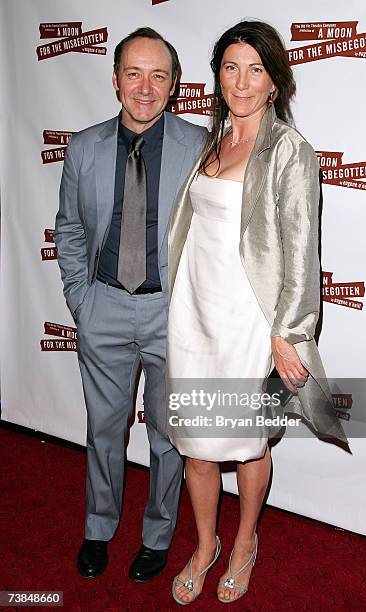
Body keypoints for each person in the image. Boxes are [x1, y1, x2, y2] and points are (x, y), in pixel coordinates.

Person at [166, 20, 347, 604]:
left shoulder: (289, 151)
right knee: (194, 440)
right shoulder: (210, 141)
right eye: (230, 67)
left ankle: (244, 543)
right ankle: (204, 544)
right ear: (217, 76)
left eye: (256, 69)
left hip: (248, 318)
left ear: (275, 82)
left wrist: (287, 333)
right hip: (194, 309)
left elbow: (301, 249)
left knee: (246, 441)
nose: (242, 81)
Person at [54, 27, 206, 582]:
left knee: (169, 435)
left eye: (159, 75)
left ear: (174, 84)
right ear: (115, 79)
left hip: (174, 313)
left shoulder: (201, 146)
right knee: (104, 430)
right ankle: (98, 527)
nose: (146, 87)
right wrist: (80, 298)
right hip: (105, 308)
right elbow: (69, 227)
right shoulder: (83, 147)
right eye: (134, 74)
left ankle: (158, 535)